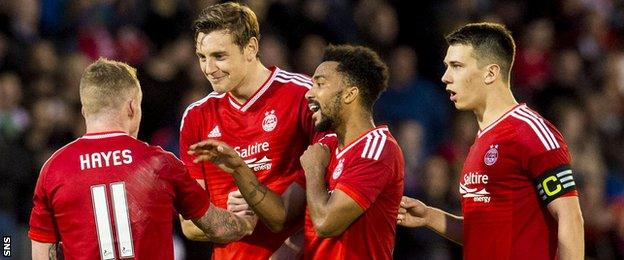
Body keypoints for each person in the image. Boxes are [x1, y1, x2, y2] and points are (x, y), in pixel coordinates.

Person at [190, 44, 404, 259]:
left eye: (320, 84)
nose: (309, 94)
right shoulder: (326, 150)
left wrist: (313, 170)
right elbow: (281, 215)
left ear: (349, 94)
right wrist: (239, 169)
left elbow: (325, 223)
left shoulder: (376, 149)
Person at [28, 58, 255, 260]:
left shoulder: (54, 169)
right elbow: (217, 228)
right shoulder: (160, 163)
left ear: (85, 110)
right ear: (132, 107)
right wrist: (247, 222)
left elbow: (40, 253)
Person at [397, 23, 584, 259]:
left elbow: (570, 218)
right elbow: (484, 231)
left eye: (457, 66)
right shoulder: (481, 140)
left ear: (490, 73)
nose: (445, 77)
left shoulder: (531, 132)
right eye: (446, 67)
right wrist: (429, 216)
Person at [178, 2, 318, 259]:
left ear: (251, 48)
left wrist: (264, 204)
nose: (209, 69)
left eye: (219, 56)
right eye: (202, 57)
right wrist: (231, 220)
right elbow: (188, 223)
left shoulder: (304, 96)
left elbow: (336, 189)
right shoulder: (196, 117)